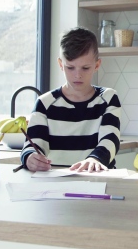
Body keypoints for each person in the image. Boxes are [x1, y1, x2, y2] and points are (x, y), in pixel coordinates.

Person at [20, 27, 121, 172]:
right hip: (56, 181)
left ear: (97, 65)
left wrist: (95, 159)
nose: (77, 75)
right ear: (61, 64)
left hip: (99, 178)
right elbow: (33, 145)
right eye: (70, 67)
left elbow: (110, 140)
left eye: (85, 68)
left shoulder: (108, 98)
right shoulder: (44, 103)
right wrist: (30, 158)